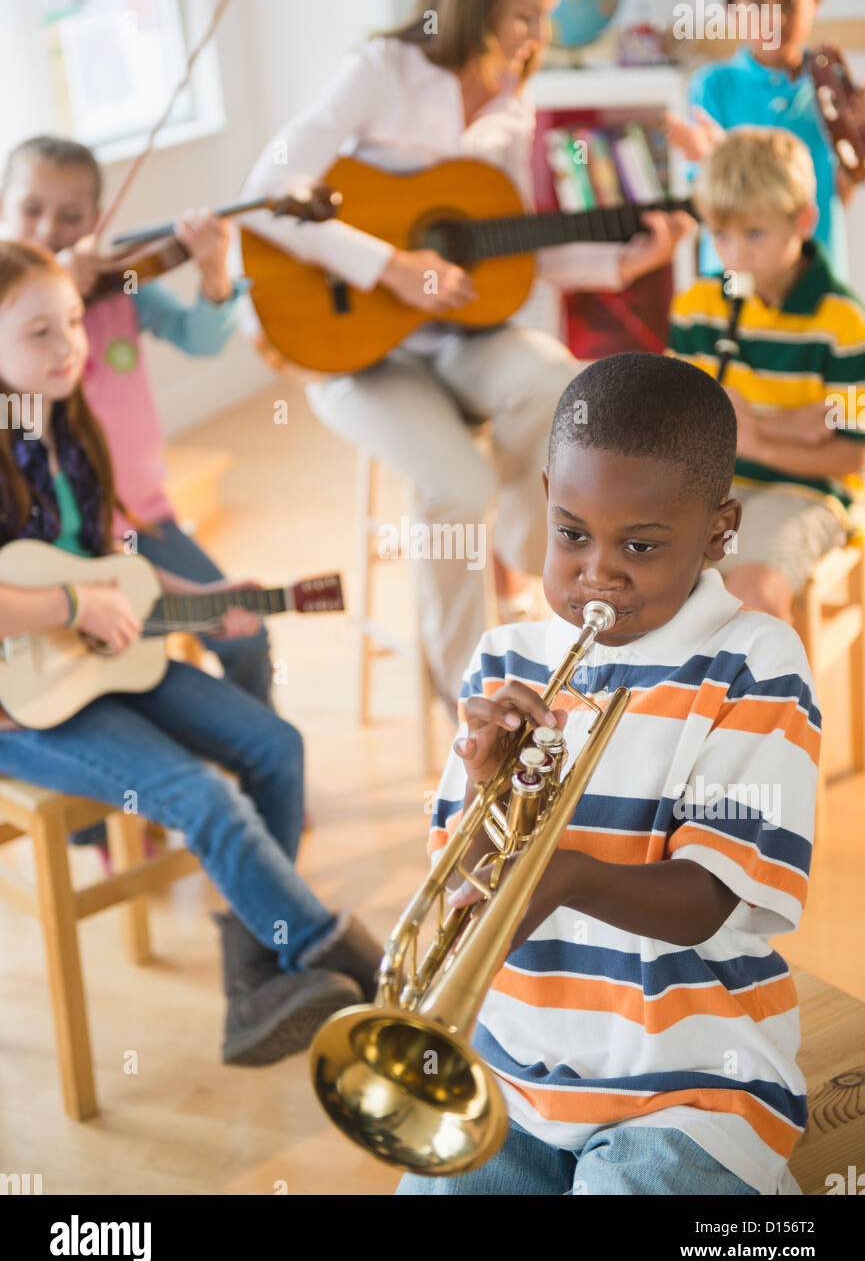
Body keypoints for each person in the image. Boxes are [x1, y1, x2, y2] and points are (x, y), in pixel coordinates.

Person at [240, 0, 693, 713]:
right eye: (523, 14)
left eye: (543, 16)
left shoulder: (513, 93)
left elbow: (512, 246)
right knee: (455, 484)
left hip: (466, 336)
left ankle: (530, 567)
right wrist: (391, 265)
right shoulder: (381, 69)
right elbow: (266, 194)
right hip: (359, 350)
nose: (532, 35)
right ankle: (469, 696)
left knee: (571, 395)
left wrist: (622, 260)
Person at [398, 352, 816, 1196]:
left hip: (693, 1085)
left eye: (640, 545)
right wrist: (486, 786)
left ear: (717, 531)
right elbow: (463, 895)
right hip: (512, 1071)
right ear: (545, 496)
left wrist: (562, 876)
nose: (598, 573)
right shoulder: (502, 660)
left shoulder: (753, 662)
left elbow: (706, 900)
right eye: (571, 534)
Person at [0, 239, 381, 1064]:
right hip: (21, 708)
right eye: (39, 332)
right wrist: (71, 603)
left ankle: (254, 972)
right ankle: (329, 952)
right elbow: (67, 590)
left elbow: (108, 551)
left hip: (104, 661)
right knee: (200, 797)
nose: (70, 345)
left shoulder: (71, 421)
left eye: (73, 321)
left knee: (276, 746)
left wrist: (212, 600)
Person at [0, 135, 273, 706]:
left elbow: (200, 340)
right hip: (54, 539)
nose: (49, 229)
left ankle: (255, 746)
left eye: (71, 217)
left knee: (246, 637)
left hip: (140, 518)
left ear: (97, 221)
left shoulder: (121, 285)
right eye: (31, 210)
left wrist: (213, 270)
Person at [667, 127, 865, 621]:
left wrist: (756, 441)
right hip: (711, 488)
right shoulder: (696, 308)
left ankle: (773, 700)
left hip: (807, 493)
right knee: (646, 577)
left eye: (754, 234)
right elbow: (676, 428)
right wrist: (788, 425)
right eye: (720, 234)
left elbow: (854, 453)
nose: (735, 255)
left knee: (751, 594)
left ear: (804, 221)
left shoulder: (844, 322)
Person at [667, 0, 857, 280]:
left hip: (812, 274)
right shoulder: (713, 85)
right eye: (756, 5)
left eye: (787, 3)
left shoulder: (831, 88)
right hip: (732, 277)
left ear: (817, 2)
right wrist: (713, 158)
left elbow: (835, 195)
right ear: (730, 11)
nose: (773, 19)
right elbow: (710, 203)